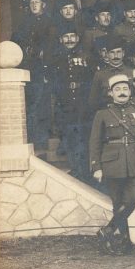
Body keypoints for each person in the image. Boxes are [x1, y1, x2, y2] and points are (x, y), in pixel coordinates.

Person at [89, 74, 135, 255]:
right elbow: (95, 142)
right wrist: (96, 166)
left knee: (132, 199)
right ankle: (121, 242)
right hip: (112, 163)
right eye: (117, 89)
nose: (122, 93)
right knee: (118, 203)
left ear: (130, 91)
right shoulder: (102, 114)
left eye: (125, 89)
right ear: (111, 93)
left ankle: (107, 230)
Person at [12, 0, 56, 148]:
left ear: (43, 5)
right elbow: (15, 40)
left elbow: (51, 45)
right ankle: (31, 138)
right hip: (28, 67)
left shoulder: (50, 22)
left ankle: (42, 141)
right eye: (31, 3)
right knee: (30, 103)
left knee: (42, 104)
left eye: (37, 2)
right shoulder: (25, 23)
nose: (34, 6)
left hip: (43, 69)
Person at [50, 25, 93, 180]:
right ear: (61, 40)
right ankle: (75, 167)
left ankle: (85, 171)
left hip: (82, 104)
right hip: (65, 104)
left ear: (78, 38)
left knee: (83, 136)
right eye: (66, 37)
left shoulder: (85, 56)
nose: (69, 40)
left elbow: (90, 79)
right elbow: (54, 82)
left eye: (72, 36)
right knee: (69, 136)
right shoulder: (56, 58)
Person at [87, 34, 133, 113]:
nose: (116, 56)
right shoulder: (100, 74)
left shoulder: (132, 72)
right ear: (107, 54)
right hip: (109, 114)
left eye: (118, 52)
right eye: (112, 52)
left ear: (123, 53)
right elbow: (92, 102)